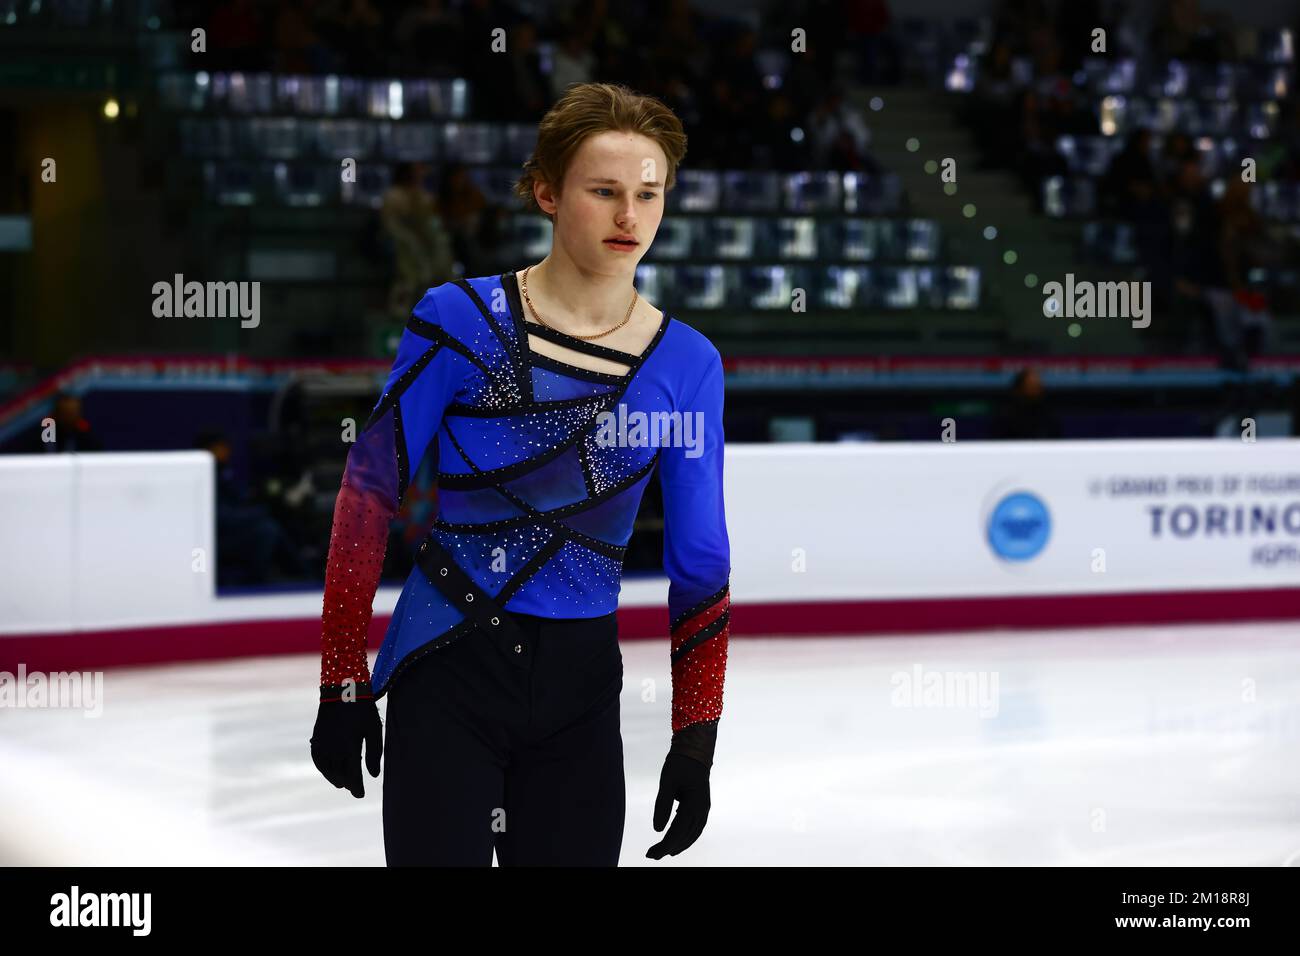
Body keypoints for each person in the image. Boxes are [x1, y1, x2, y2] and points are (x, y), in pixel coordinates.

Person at [310, 82, 732, 866]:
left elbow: (701, 563)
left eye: (649, 194)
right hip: (449, 669)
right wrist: (342, 675)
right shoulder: (460, 320)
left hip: (580, 692)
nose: (629, 218)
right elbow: (369, 490)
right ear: (546, 191)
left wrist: (696, 737)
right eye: (603, 191)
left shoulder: (688, 365)